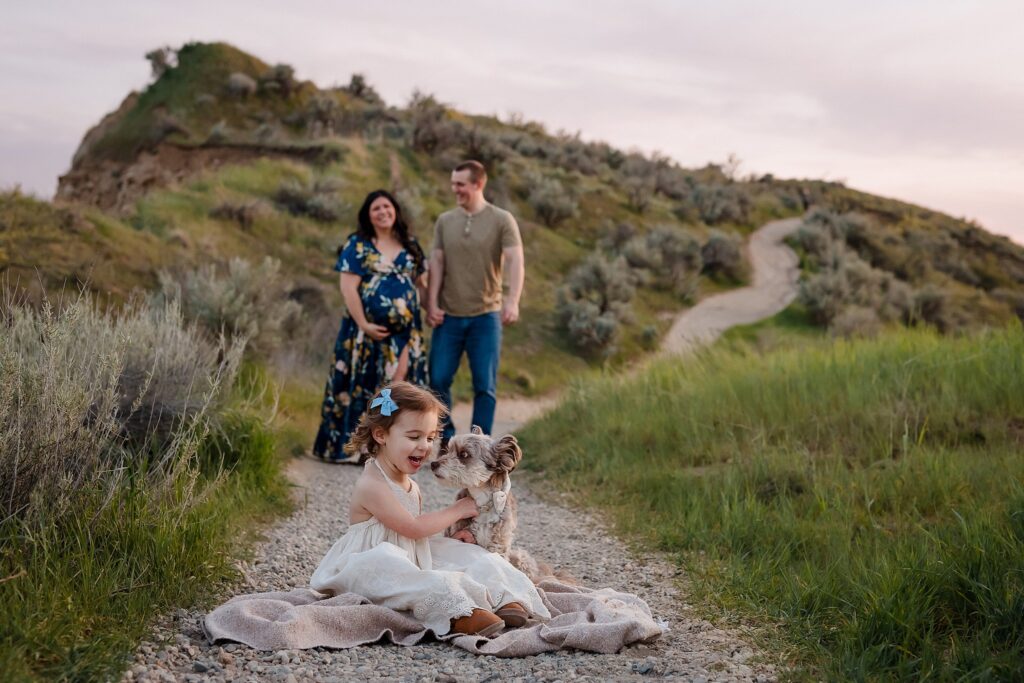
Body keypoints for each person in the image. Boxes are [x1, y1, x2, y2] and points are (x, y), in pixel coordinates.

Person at [310, 382, 550, 636]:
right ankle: (460, 613)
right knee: (404, 571)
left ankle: (505, 597)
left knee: (472, 555)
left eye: (431, 438)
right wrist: (458, 510)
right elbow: (413, 528)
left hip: (409, 555)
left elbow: (408, 531)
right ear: (381, 435)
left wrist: (455, 540)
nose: (425, 446)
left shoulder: (409, 483)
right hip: (371, 565)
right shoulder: (372, 484)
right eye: (414, 437)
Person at [313, 190, 429, 463]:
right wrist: (364, 323)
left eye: (387, 206)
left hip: (405, 335)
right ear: (368, 215)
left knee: (399, 390)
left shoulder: (410, 245)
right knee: (367, 388)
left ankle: (397, 451)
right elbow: (348, 288)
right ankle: (360, 449)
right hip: (365, 334)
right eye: (376, 208)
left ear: (395, 211)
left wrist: (432, 308)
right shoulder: (358, 245)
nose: (382, 212)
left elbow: (422, 285)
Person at [427, 160, 524, 447]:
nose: (454, 189)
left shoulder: (501, 219)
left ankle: (476, 445)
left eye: (460, 184)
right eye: (453, 183)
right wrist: (431, 303)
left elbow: (516, 260)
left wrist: (513, 300)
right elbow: (437, 263)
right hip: (449, 316)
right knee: (439, 379)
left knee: (484, 385)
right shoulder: (445, 221)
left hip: (486, 316)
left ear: (478, 184)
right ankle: (447, 440)